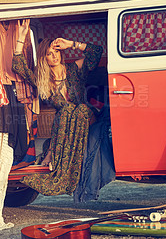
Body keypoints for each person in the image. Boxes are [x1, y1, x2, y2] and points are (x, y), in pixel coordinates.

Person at [12, 19, 104, 196]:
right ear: (43, 57)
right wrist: (22, 36)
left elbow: (96, 52)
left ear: (61, 53)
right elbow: (18, 65)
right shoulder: (43, 79)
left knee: (78, 110)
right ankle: (56, 162)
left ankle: (52, 156)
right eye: (49, 54)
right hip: (65, 123)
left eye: (56, 52)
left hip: (86, 116)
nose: (54, 56)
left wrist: (71, 44)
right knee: (66, 111)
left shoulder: (74, 68)